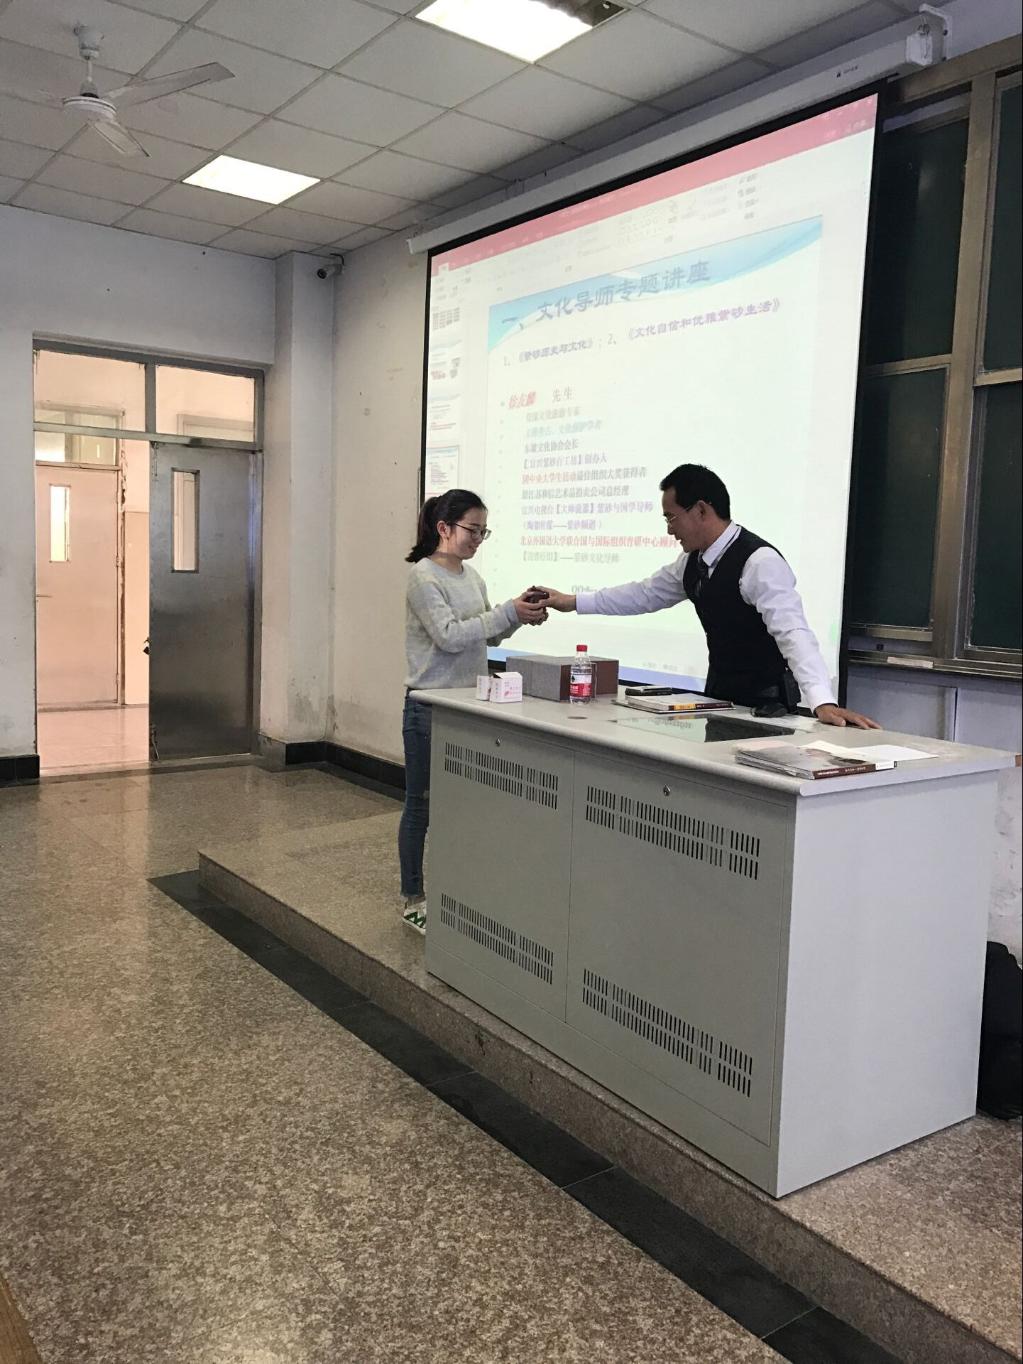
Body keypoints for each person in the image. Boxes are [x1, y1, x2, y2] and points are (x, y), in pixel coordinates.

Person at [538, 463, 878, 729]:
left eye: (671, 517)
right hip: (719, 700)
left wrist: (822, 701)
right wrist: (572, 602)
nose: (669, 529)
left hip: (768, 709)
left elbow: (793, 632)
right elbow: (642, 595)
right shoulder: (691, 563)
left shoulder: (759, 562)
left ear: (701, 510)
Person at [400, 488, 547, 933]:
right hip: (430, 707)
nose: (478, 539)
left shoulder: (472, 577)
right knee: (421, 807)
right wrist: (505, 612)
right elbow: (448, 636)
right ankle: (413, 897)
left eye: (484, 532)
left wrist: (518, 614)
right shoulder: (423, 577)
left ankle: (456, 891)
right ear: (444, 528)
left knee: (464, 809)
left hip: (470, 708)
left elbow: (488, 635)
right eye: (472, 530)